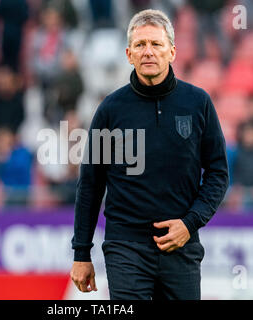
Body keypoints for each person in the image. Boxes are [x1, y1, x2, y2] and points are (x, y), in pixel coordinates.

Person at [70, 9, 229, 300]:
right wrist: (82, 253)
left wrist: (189, 223)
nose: (148, 52)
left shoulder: (198, 103)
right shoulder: (111, 109)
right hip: (125, 248)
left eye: (156, 44)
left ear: (172, 51)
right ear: (129, 54)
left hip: (181, 247)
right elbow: (91, 184)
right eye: (140, 45)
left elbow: (218, 173)